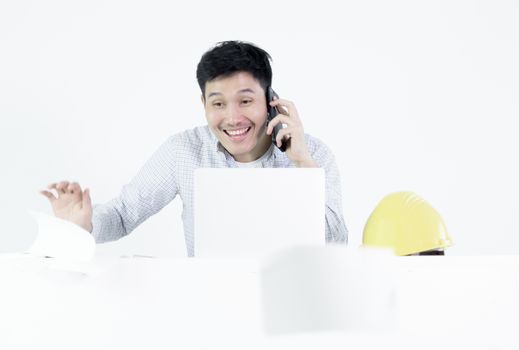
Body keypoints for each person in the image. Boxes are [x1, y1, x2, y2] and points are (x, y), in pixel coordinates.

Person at [40, 40, 348, 257]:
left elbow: (335, 242)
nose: (232, 118)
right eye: (218, 103)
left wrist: (302, 164)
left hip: (291, 303)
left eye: (245, 100)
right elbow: (123, 214)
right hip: (209, 301)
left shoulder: (313, 154)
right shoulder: (183, 151)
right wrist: (82, 227)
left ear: (271, 100)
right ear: (203, 104)